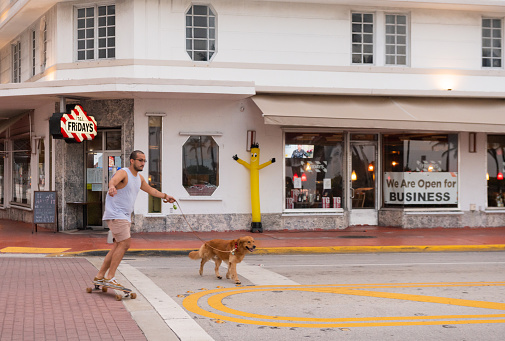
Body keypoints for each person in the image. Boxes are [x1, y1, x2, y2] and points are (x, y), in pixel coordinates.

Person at [94, 150, 176, 289]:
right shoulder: (124, 172)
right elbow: (113, 180)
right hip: (116, 214)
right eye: (140, 160)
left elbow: (151, 190)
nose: (143, 163)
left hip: (124, 216)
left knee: (118, 246)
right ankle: (110, 277)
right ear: (132, 161)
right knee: (125, 244)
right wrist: (112, 187)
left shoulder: (139, 178)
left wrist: (165, 196)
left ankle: (100, 277)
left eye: (144, 161)